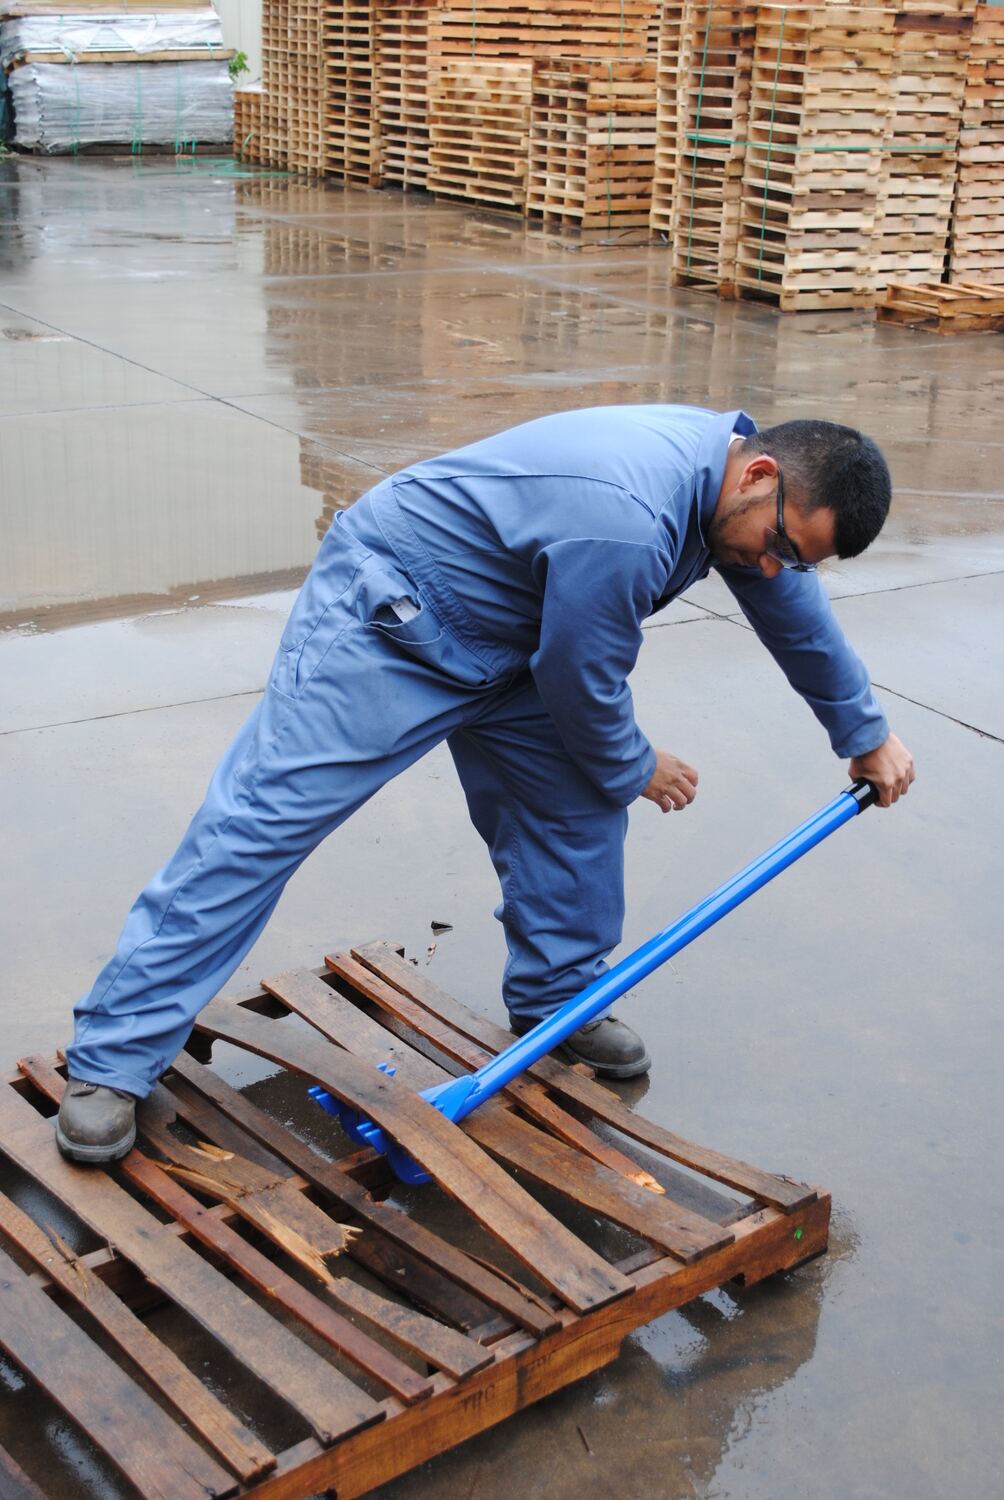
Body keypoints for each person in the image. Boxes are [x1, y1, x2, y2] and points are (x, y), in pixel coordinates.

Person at [56, 405, 915, 1163]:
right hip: (398, 616)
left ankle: (557, 999)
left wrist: (865, 734)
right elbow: (583, 679)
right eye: (778, 547)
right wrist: (637, 766)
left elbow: (791, 615)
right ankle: (114, 1058)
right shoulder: (628, 516)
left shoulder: (734, 491)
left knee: (573, 818)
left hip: (522, 635)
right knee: (263, 822)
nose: (772, 569)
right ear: (759, 475)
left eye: (797, 560)